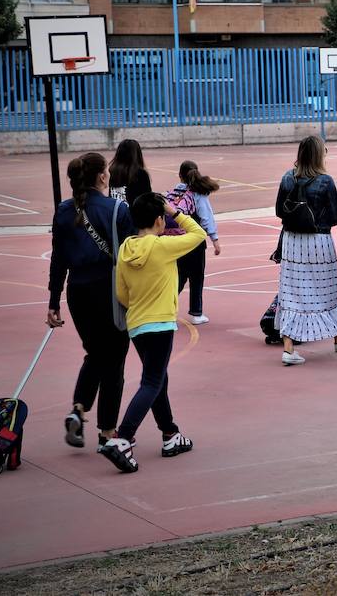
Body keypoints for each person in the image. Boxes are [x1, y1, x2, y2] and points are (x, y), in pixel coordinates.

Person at [98, 192, 205, 473]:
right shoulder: (162, 246)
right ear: (160, 220)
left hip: (137, 324)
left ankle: (170, 434)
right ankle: (123, 438)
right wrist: (176, 212)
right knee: (152, 382)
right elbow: (198, 234)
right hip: (161, 323)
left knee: (158, 380)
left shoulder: (125, 249)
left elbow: (121, 293)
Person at [46, 152, 135, 451]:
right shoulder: (116, 210)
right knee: (115, 359)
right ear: (101, 177)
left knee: (95, 353)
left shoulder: (63, 211)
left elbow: (58, 258)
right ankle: (107, 430)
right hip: (108, 291)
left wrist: (53, 299)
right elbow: (131, 255)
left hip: (77, 292)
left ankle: (79, 408)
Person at [274, 136, 337, 366]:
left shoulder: (287, 178)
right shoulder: (325, 181)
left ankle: (289, 348)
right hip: (318, 242)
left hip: (292, 242)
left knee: (291, 292)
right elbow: (335, 216)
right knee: (326, 290)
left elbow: (280, 210)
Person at [170, 160, 221, 325]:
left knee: (178, 276)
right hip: (195, 241)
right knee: (196, 277)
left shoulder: (174, 191)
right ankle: (196, 313)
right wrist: (215, 239)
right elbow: (206, 217)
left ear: (179, 175)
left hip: (176, 241)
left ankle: (166, 309)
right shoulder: (198, 193)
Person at [109, 139, 152, 204]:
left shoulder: (112, 171)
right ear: (137, 154)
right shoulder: (140, 174)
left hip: (114, 211)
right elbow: (147, 199)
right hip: (133, 213)